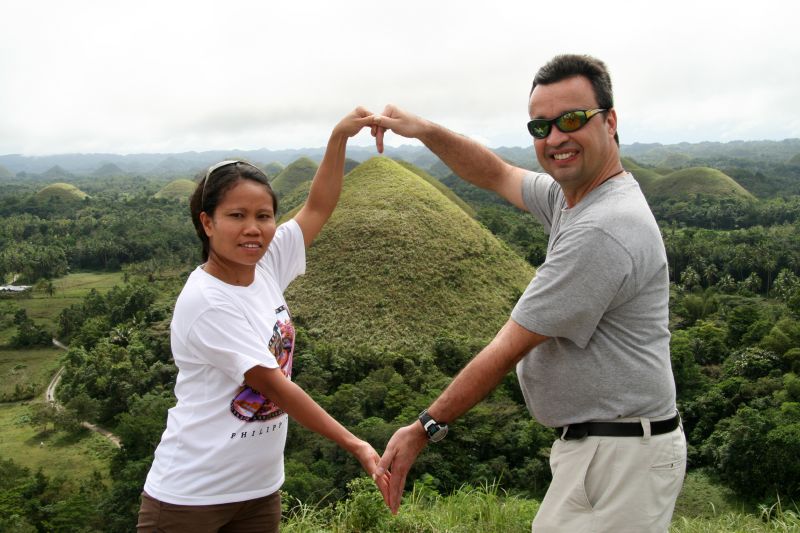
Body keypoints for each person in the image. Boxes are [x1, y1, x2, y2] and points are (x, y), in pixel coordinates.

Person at [372, 54, 686, 532]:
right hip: (607, 448)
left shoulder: (603, 228)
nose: (556, 138)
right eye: (541, 127)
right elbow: (496, 173)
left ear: (611, 121)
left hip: (621, 457)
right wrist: (424, 130)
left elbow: (506, 349)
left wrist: (424, 429)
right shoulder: (573, 198)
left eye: (573, 120)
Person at [137, 108, 388, 532]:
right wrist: (355, 443)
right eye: (237, 216)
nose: (253, 229)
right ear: (207, 222)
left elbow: (318, 205)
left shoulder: (266, 264)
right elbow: (275, 386)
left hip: (258, 493)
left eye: (263, 216)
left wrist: (339, 136)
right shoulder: (208, 301)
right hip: (190, 500)